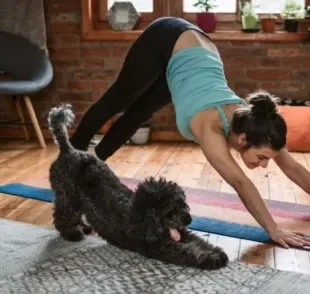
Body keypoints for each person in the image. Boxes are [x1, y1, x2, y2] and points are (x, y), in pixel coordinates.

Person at [70, 17, 310, 249]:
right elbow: (240, 183)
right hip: (168, 38)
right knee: (118, 101)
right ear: (242, 139)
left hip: (194, 54)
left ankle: (92, 167)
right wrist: (273, 229)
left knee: (137, 115)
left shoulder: (259, 126)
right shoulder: (211, 128)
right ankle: (70, 161)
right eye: (262, 158)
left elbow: (293, 167)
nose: (265, 165)